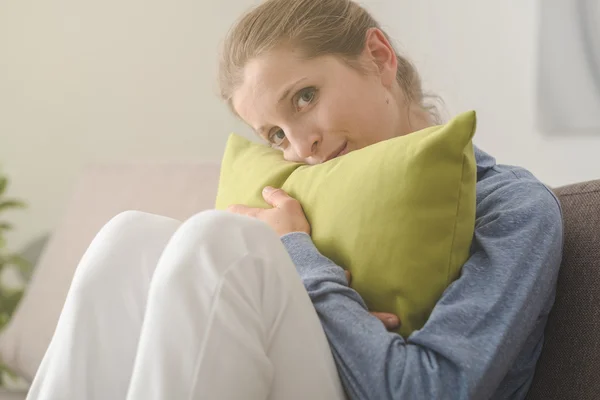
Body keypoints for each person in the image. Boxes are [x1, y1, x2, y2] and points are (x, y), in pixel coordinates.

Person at [27, 0, 563, 399]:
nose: (302, 148)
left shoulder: (512, 207)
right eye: (276, 135)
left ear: (378, 57)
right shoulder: (309, 201)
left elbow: (427, 390)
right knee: (132, 236)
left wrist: (304, 266)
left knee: (224, 241)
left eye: (305, 97)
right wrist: (329, 308)